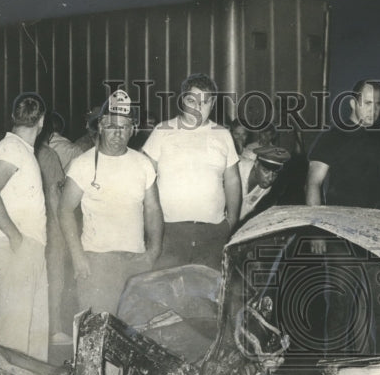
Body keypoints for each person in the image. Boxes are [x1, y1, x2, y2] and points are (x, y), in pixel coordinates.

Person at [60, 90, 163, 315]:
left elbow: (153, 209)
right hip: (97, 262)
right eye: (111, 126)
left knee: (134, 331)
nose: (118, 133)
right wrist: (78, 256)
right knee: (96, 330)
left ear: (133, 129)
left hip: (135, 261)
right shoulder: (83, 164)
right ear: (100, 127)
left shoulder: (143, 164)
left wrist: (153, 251)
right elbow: (65, 210)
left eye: (124, 126)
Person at [141, 72, 241, 270]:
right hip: (168, 230)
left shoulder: (223, 134)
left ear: (212, 104)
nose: (198, 107)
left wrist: (231, 223)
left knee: (207, 295)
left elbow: (233, 181)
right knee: (168, 292)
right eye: (192, 100)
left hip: (212, 232)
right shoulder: (162, 131)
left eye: (205, 102)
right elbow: (143, 178)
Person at [0, 92, 49, 360]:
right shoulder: (12, 149)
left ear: (13, 117)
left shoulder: (21, 150)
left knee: (34, 331)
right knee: (15, 336)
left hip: (28, 248)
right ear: (41, 121)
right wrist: (16, 237)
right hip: (16, 247)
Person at [305, 79, 380, 210]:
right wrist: (316, 219)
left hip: (375, 220)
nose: (373, 110)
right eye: (368, 103)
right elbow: (313, 183)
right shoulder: (332, 137)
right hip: (340, 221)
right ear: (353, 103)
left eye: (378, 104)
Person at [35, 129, 70, 344]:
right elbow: (55, 193)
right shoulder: (48, 155)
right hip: (49, 224)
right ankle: (55, 329)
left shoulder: (21, 150)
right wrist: (61, 230)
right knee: (55, 278)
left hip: (28, 225)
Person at [238, 145, 291, 221]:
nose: (270, 178)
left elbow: (244, 212)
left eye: (275, 174)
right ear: (256, 164)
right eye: (266, 171)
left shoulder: (265, 186)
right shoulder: (237, 169)